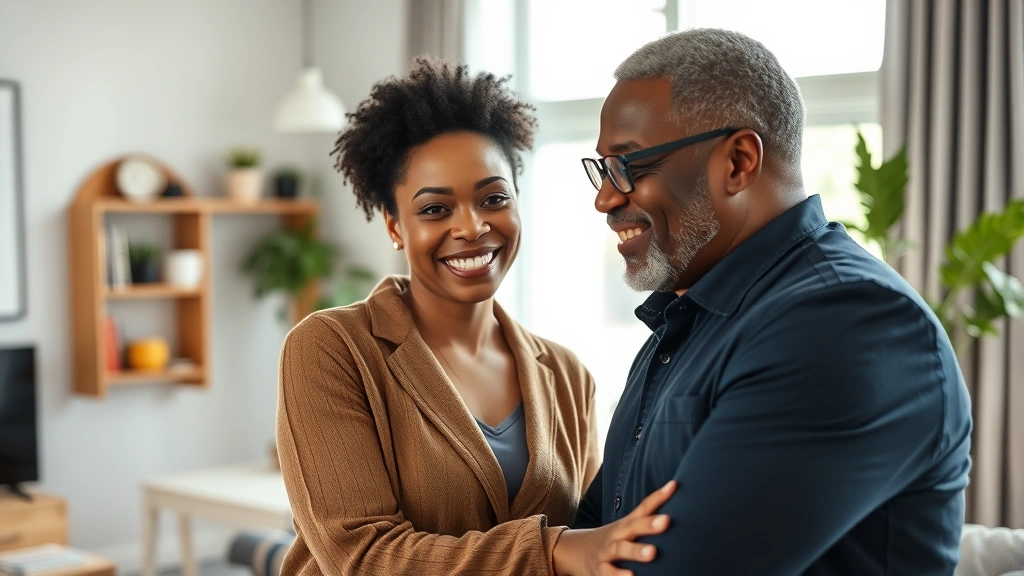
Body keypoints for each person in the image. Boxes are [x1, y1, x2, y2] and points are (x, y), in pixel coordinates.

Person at [574, 28, 973, 575]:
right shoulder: (687, 320)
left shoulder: (847, 322)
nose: (605, 198)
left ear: (738, 161)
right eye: (601, 168)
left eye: (630, 165)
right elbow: (593, 535)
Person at [276, 56, 673, 576]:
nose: (472, 227)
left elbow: (597, 532)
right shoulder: (332, 348)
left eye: (493, 199)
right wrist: (551, 551)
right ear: (395, 226)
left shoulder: (567, 376)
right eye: (435, 209)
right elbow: (361, 556)